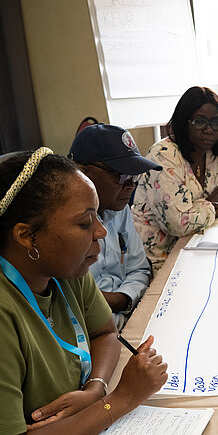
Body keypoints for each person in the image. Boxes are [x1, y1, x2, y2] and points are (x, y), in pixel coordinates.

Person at [0, 149, 167, 435]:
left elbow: (106, 333)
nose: (100, 232)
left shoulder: (63, 265)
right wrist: (118, 400)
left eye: (97, 217)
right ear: (26, 235)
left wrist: (95, 388)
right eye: (84, 222)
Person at [133, 87, 218, 271]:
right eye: (200, 122)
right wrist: (215, 202)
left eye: (216, 122)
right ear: (184, 122)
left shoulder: (213, 152)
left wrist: (215, 204)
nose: (209, 130)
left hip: (198, 245)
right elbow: (178, 224)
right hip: (158, 258)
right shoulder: (163, 155)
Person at [70, 123, 162, 330]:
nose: (130, 186)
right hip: (95, 333)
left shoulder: (119, 209)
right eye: (121, 176)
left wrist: (122, 299)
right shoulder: (64, 227)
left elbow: (139, 268)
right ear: (83, 172)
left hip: (127, 315)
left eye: (135, 177)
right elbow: (77, 300)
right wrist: (106, 302)